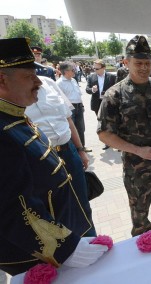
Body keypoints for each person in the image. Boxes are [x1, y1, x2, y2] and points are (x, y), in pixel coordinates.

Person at [0, 37, 107, 276]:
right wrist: (63, 247)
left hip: (58, 224)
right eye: (29, 76)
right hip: (33, 254)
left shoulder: (14, 115)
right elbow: (12, 208)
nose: (38, 81)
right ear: (2, 79)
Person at [98, 35, 151, 237]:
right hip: (137, 169)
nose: (144, 67)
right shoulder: (114, 95)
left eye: (147, 63)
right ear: (126, 63)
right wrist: (137, 150)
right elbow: (104, 134)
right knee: (140, 220)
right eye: (138, 63)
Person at [25, 76, 96, 237]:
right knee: (54, 209)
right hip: (42, 158)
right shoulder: (12, 93)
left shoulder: (49, 83)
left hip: (68, 151)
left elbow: (68, 118)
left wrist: (80, 149)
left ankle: (92, 240)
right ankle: (67, 250)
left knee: (81, 201)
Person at [57, 61, 91, 152]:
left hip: (79, 107)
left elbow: (78, 95)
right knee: (72, 130)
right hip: (69, 109)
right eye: (72, 69)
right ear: (65, 71)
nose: (74, 71)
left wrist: (82, 105)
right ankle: (75, 150)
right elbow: (60, 99)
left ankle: (82, 147)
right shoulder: (59, 83)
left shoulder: (73, 80)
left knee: (81, 128)